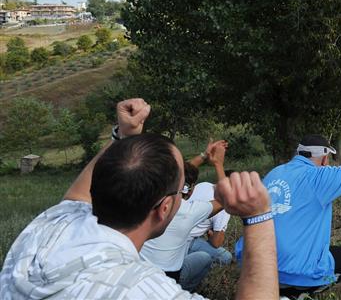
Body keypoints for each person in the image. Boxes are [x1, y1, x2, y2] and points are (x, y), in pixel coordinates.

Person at [0, 98, 278, 300]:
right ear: (165, 207)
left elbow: (77, 194)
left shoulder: (52, 225)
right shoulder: (141, 290)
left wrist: (124, 137)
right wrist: (259, 217)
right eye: (181, 189)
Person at [235, 132, 341, 298]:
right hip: (290, 273)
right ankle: (296, 294)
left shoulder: (275, 173)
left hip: (251, 264)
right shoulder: (320, 177)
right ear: (324, 158)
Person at [140, 140, 227, 293]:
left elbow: (180, 173)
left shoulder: (143, 195)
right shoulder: (187, 211)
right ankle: (182, 292)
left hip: (138, 274)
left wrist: (204, 155)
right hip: (166, 281)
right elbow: (226, 199)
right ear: (189, 188)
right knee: (205, 258)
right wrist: (218, 164)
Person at [186, 178, 234, 267]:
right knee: (226, 257)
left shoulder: (204, 184)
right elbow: (216, 243)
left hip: (172, 231)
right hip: (185, 241)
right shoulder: (224, 207)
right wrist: (212, 235)